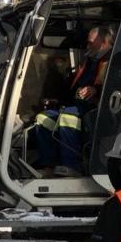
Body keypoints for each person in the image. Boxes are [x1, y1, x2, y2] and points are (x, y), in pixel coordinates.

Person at [34, 25, 114, 177]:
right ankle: (49, 165)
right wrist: (56, 100)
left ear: (103, 42)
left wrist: (96, 90)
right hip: (76, 106)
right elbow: (73, 89)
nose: (87, 45)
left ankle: (72, 166)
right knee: (43, 118)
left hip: (97, 109)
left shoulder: (114, 61)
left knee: (68, 118)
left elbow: (117, 88)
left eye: (91, 42)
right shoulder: (89, 61)